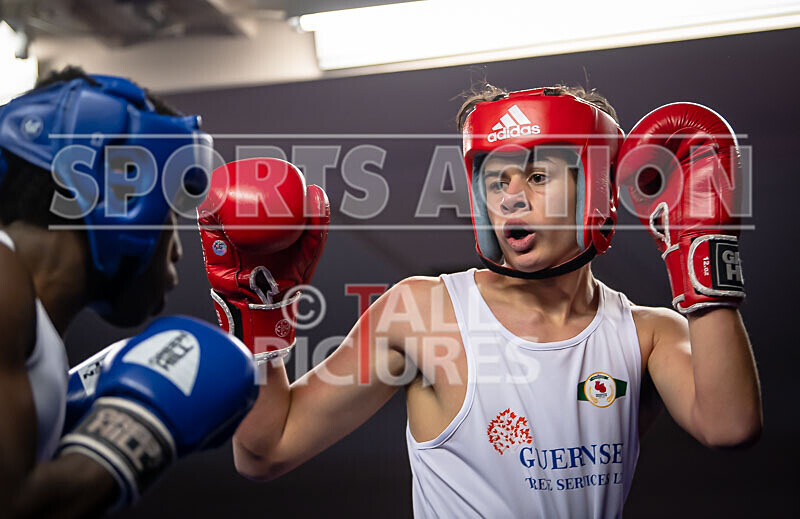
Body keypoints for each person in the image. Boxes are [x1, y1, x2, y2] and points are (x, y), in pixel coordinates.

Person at [202, 85, 762, 518]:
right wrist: (256, 322)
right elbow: (264, 450)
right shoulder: (423, 313)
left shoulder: (646, 334)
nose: (513, 197)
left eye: (539, 175)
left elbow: (731, 425)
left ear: (595, 187)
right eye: (497, 182)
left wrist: (703, 247)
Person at [0, 67, 258, 518]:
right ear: (124, 199)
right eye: (173, 209)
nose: (177, 249)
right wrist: (133, 431)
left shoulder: (26, 331)